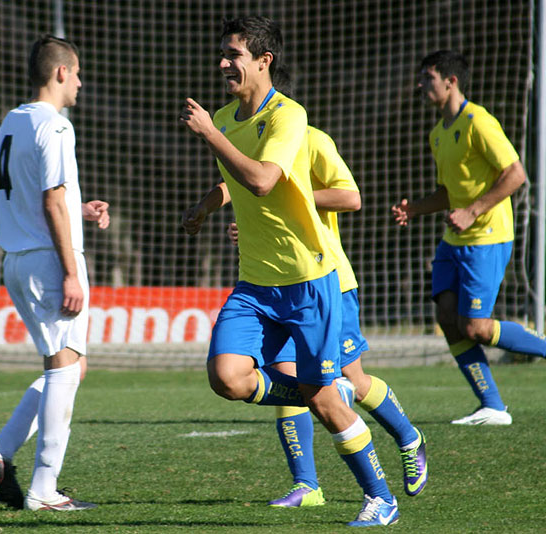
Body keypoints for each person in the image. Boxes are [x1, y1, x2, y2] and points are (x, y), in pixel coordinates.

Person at [180, 16, 399, 527]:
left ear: (263, 60)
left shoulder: (289, 116)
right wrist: (205, 207)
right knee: (227, 377)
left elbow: (260, 180)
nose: (222, 64)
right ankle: (316, 390)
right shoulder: (227, 116)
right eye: (223, 54)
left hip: (307, 282)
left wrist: (211, 134)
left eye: (232, 54)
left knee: (323, 401)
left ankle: (379, 497)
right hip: (256, 282)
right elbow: (235, 180)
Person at [226, 125, 427, 508]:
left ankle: (408, 437)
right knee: (290, 373)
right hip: (276, 282)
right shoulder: (250, 141)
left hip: (327, 281)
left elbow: (350, 197)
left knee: (353, 378)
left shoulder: (311, 139)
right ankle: (307, 485)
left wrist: (290, 201)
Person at [0, 34, 109, 512]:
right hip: (50, 260)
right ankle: (44, 489)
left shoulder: (13, 120)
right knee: (63, 370)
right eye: (76, 72)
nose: (79, 82)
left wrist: (81, 207)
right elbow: (50, 198)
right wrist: (72, 271)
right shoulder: (56, 126)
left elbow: (46, 193)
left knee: (70, 366)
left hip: (18, 259)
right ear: (60, 73)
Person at [392, 50, 546, 425]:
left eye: (428, 77)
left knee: (475, 326)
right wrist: (415, 210)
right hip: (454, 241)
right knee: (447, 317)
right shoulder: (438, 134)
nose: (421, 84)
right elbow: (448, 192)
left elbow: (515, 174)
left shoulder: (479, 122)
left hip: (487, 237)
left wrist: (473, 211)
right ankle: (492, 405)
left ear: (451, 81)